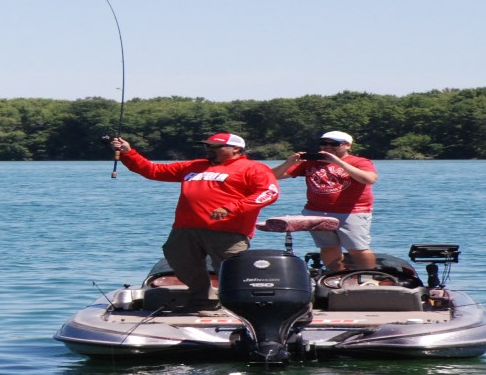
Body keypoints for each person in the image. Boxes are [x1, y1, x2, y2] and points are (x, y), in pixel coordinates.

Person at [110, 132, 281, 312]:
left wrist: (232, 207)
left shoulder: (254, 168)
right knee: (178, 258)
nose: (208, 149)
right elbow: (153, 170)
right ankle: (203, 300)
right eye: (207, 146)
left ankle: (238, 305)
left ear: (236, 149)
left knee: (231, 268)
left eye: (215, 147)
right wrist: (128, 153)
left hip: (228, 230)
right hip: (185, 228)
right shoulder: (194, 166)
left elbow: (268, 193)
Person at [270, 130, 379, 271]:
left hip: (351, 212)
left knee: (357, 248)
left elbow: (369, 179)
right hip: (316, 211)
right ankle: (336, 277)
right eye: (323, 143)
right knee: (328, 247)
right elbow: (272, 176)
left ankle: (368, 278)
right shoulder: (311, 162)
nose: (327, 147)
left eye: (334, 144)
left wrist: (337, 162)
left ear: (347, 145)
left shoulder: (359, 162)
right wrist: (288, 162)